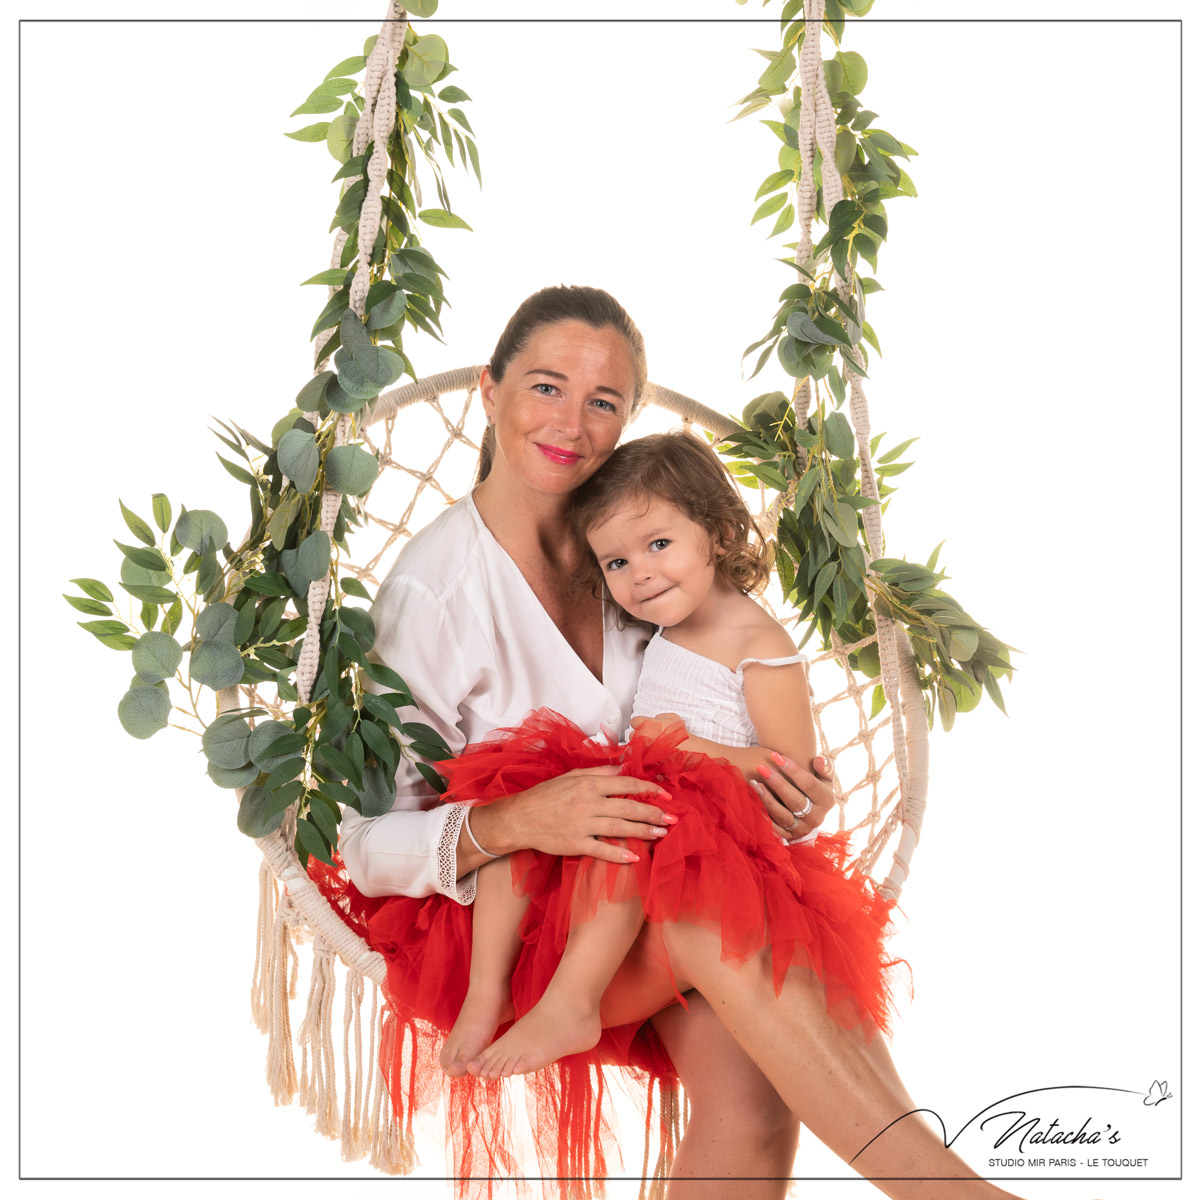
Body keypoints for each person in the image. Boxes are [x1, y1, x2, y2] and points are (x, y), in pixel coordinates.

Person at [322, 285, 1025, 1199]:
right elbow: (357, 843)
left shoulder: (637, 547)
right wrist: (519, 818)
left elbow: (714, 705)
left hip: (652, 879)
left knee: (756, 1101)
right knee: (712, 913)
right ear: (489, 391)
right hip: (515, 928)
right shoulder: (435, 594)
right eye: (544, 386)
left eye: (603, 401)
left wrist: (786, 785)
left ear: (628, 420)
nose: (571, 423)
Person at [440, 430, 897, 1084]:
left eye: (658, 545)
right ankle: (485, 993)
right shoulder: (661, 625)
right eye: (616, 563)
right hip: (652, 793)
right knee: (519, 799)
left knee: (635, 808)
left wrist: (693, 750)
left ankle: (573, 1002)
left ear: (719, 533)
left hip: (713, 836)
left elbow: (788, 775)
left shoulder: (758, 639)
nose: (641, 573)